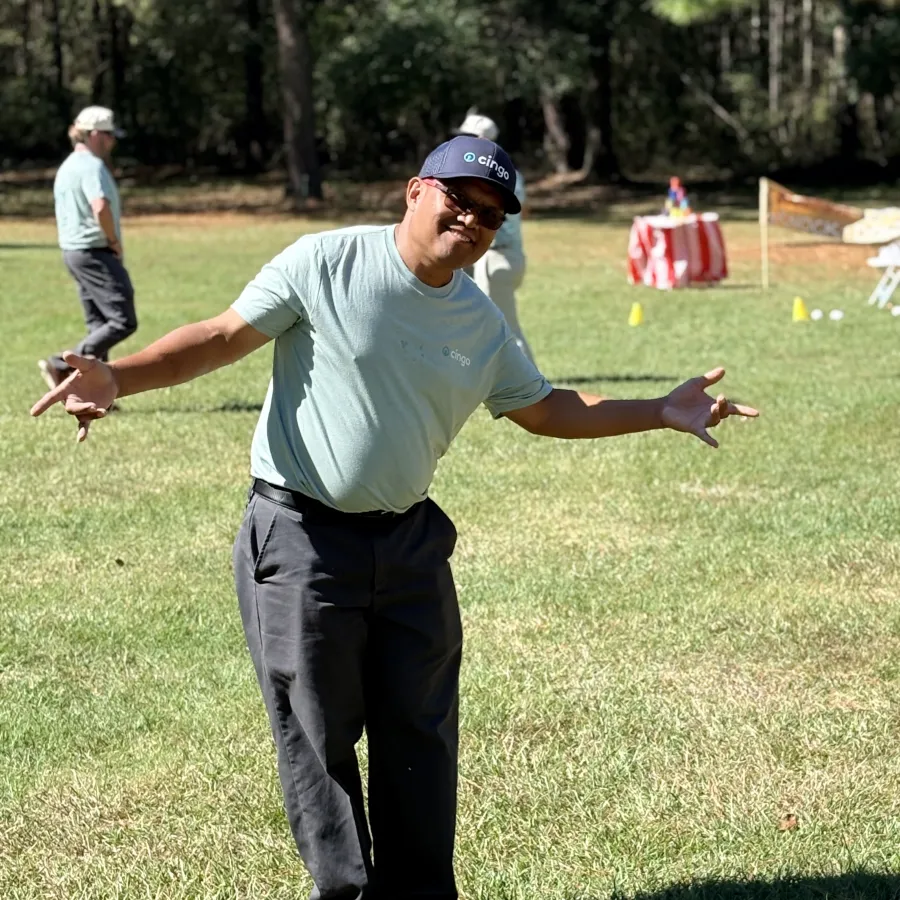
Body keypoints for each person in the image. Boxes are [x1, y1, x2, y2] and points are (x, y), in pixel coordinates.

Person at [30, 135, 758, 900]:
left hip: (410, 546)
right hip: (302, 539)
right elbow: (218, 337)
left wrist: (659, 411)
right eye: (460, 199)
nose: (473, 221)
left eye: (491, 214)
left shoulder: (479, 324)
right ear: (416, 190)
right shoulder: (325, 262)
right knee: (319, 740)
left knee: (421, 734)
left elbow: (545, 408)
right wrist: (119, 376)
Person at [38, 105, 137, 392]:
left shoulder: (68, 166)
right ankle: (61, 363)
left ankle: (96, 392)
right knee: (122, 320)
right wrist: (113, 241)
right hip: (95, 251)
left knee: (100, 324)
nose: (112, 141)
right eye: (108, 134)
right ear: (93, 134)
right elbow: (100, 206)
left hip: (73, 252)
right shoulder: (92, 166)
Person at [455, 111, 533, 362]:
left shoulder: (488, 175)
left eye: (468, 137)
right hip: (506, 256)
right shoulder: (510, 171)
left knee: (505, 331)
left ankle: (536, 390)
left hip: (496, 258)